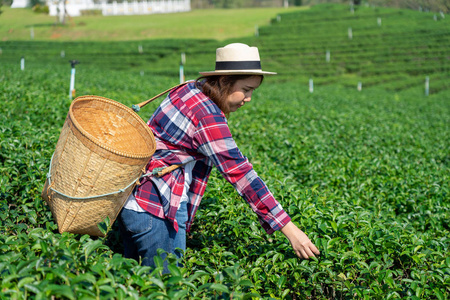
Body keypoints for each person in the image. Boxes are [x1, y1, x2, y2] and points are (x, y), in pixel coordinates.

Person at [118, 43, 320, 271]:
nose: (249, 98)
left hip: (133, 199)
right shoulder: (207, 115)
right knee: (164, 286)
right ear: (224, 82)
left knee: (134, 281)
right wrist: (290, 230)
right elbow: (241, 173)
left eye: (253, 90)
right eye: (246, 89)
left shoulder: (189, 88)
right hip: (157, 209)